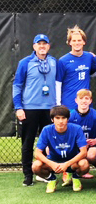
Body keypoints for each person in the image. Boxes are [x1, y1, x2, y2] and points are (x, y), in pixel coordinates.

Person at [13, 33, 57, 186]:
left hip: (50, 109)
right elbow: (17, 85)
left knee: (49, 143)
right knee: (28, 142)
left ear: (49, 46)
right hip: (30, 108)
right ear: (34, 46)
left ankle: (45, 172)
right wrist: (18, 107)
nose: (42, 46)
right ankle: (28, 175)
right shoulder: (25, 62)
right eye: (39, 44)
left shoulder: (53, 62)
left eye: (45, 44)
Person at [31, 106, 89, 193]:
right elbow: (37, 153)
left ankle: (75, 177)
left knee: (84, 164)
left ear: (68, 119)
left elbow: (84, 152)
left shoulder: (76, 129)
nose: (61, 121)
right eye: (57, 118)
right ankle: (52, 179)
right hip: (54, 163)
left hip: (72, 163)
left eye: (63, 118)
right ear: (52, 119)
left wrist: (66, 164)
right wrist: (52, 164)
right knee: (36, 166)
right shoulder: (46, 130)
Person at [69, 89, 96, 179]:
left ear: (90, 101)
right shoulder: (71, 117)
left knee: (92, 154)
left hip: (93, 146)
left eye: (86, 98)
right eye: (81, 98)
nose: (84, 101)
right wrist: (80, 143)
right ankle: (70, 172)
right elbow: (66, 134)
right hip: (77, 146)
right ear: (76, 100)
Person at [56, 25, 96, 110]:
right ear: (69, 42)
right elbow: (58, 83)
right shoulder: (63, 61)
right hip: (69, 104)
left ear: (84, 42)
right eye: (74, 40)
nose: (77, 43)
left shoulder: (89, 57)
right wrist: (58, 104)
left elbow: (94, 72)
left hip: (85, 104)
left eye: (79, 40)